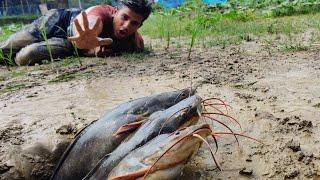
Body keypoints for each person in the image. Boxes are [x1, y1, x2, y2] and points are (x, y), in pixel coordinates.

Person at [0, 0, 152, 66]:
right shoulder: (100, 13)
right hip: (57, 21)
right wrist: (86, 40)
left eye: (134, 23)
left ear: (140, 25)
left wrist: (89, 50)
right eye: (124, 17)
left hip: (68, 44)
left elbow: (138, 47)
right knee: (6, 47)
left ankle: (11, 61)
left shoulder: (135, 44)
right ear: (116, 11)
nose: (126, 26)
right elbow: (89, 22)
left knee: (28, 55)